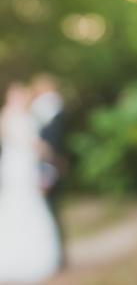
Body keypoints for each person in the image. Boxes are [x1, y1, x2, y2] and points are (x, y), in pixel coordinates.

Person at [0, 83, 62, 283]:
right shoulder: (8, 116)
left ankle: (35, 255)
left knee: (31, 204)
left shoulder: (26, 116)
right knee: (17, 204)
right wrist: (45, 150)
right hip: (17, 166)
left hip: (27, 165)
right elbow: (26, 142)